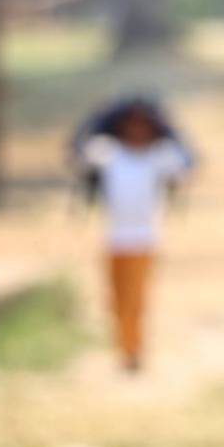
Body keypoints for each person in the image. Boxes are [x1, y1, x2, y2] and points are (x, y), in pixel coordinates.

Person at [76, 98, 193, 374]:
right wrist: (99, 119)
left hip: (145, 239)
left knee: (137, 300)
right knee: (115, 301)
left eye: (143, 125)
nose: (137, 131)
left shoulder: (160, 156)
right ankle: (124, 348)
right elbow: (78, 150)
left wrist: (170, 129)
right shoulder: (109, 153)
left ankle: (134, 352)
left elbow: (187, 160)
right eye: (130, 125)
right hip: (114, 239)